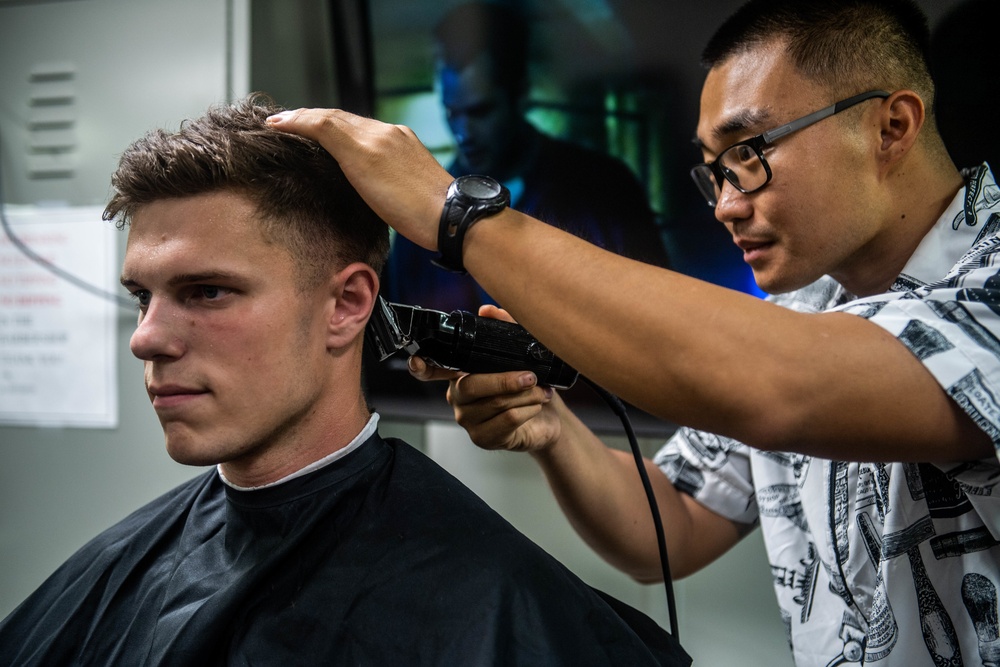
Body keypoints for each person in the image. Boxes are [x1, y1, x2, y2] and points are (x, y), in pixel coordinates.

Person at [266, 0, 1000, 665]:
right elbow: (669, 525)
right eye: (714, 171)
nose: (725, 206)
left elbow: (778, 387)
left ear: (891, 125)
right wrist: (549, 425)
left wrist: (453, 215)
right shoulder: (803, 305)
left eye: (750, 152)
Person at [0, 95, 689, 666]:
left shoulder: (487, 600)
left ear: (347, 305)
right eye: (141, 298)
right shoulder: (117, 566)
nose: (145, 336)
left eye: (206, 291)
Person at [382, 1, 670, 313]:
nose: (463, 132)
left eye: (481, 111)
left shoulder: (606, 191)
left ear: (520, 93)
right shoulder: (420, 224)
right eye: (452, 112)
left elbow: (657, 314)